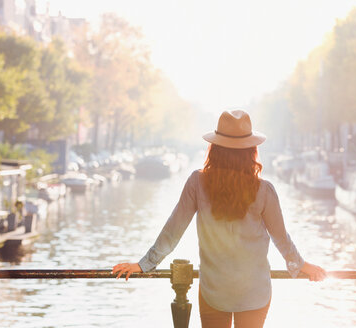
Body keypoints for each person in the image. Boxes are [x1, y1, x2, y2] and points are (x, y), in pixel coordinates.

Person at [113, 110, 326, 327]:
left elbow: (173, 230)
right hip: (255, 292)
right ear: (251, 151)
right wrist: (302, 265)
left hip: (213, 291)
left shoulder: (197, 183)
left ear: (214, 148)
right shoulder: (264, 190)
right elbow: (282, 239)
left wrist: (144, 264)